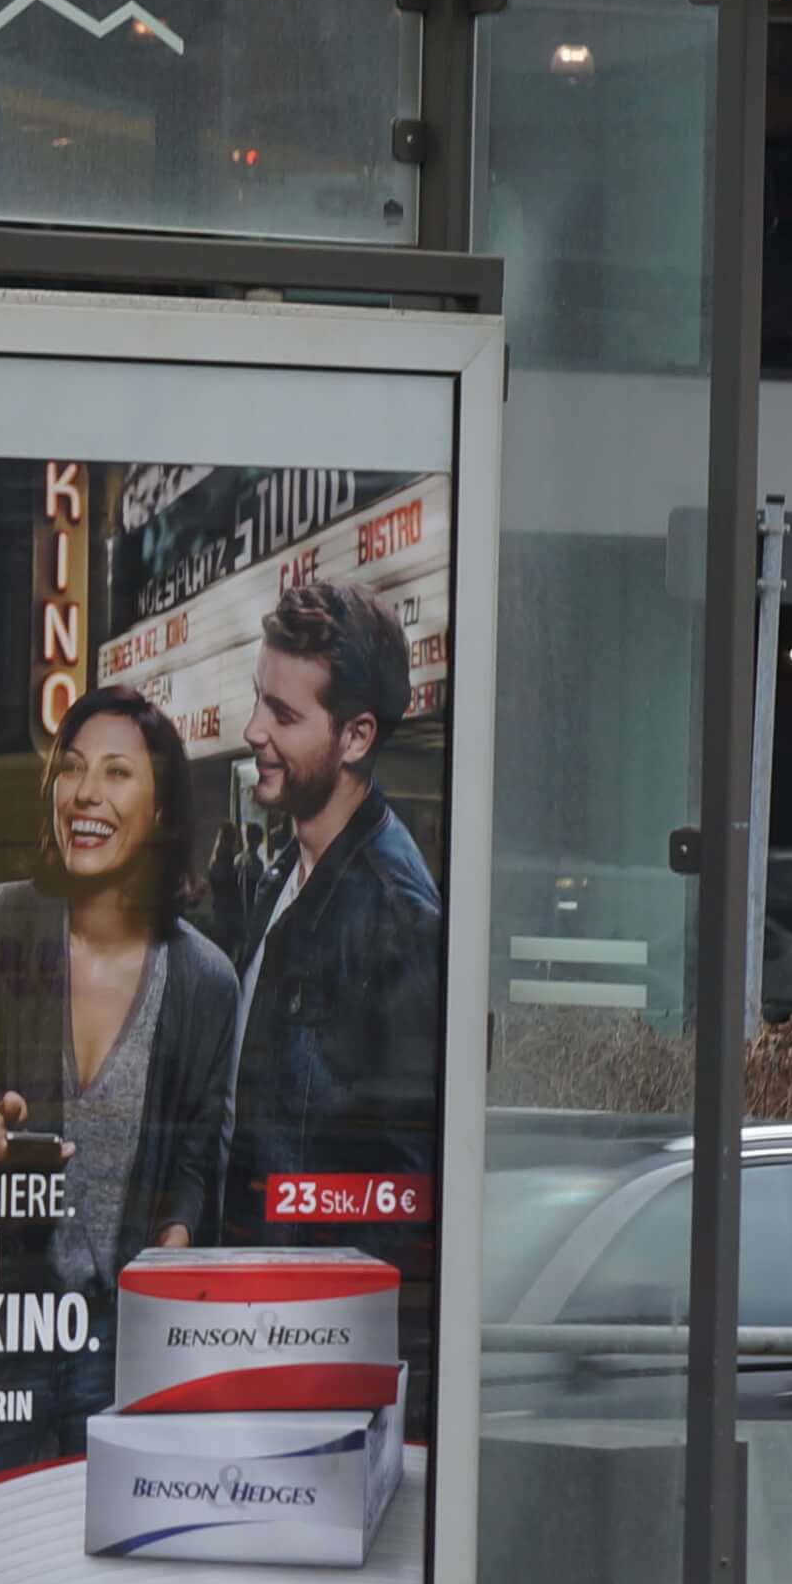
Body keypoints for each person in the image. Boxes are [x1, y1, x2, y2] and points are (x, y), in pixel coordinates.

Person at [0, 684, 242, 1448]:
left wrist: (179, 1232)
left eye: (117, 772)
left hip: (130, 1347)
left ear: (163, 808)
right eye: (71, 768)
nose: (86, 792)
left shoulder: (204, 982)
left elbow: (202, 1153)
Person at [218, 574, 449, 1423]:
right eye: (257, 704)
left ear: (355, 736)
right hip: (253, 1328)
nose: (253, 732)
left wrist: (313, 1355)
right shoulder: (282, 870)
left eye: (283, 715)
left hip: (310, 1356)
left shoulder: (396, 918)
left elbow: (401, 1193)